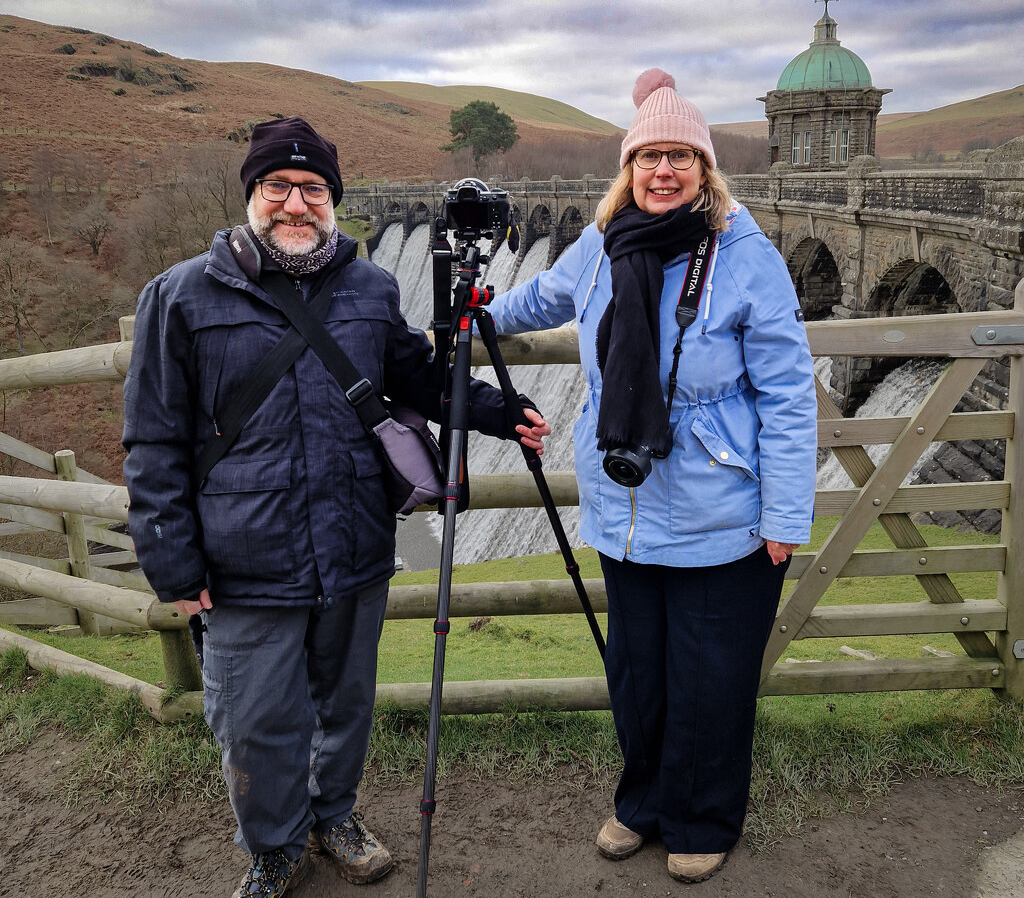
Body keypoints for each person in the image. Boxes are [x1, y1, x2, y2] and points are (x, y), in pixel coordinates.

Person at [121, 116, 549, 898]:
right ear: (251, 194)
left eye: (312, 188)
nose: (295, 202)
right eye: (277, 186)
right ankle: (277, 844)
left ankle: (336, 816)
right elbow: (152, 441)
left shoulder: (369, 287)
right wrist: (172, 563)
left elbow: (415, 377)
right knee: (253, 720)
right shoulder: (180, 296)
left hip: (352, 540)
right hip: (241, 555)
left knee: (345, 704)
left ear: (332, 199)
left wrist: (497, 410)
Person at [483, 71, 817, 884]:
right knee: (637, 674)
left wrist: (785, 516)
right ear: (627, 168)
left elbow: (787, 392)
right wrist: (471, 317)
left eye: (680, 156)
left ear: (705, 169)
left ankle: (702, 819)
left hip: (721, 511)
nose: (663, 171)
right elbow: (539, 300)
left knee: (710, 679)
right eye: (648, 157)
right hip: (625, 508)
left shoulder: (746, 255)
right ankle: (642, 804)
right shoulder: (601, 247)